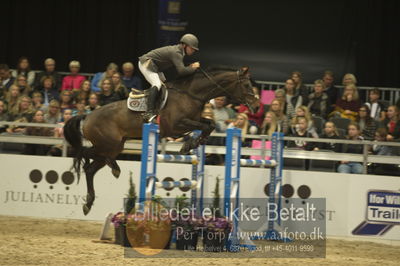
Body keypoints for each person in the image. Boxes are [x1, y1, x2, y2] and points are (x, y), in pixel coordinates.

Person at [138, 33, 200, 120]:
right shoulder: (177, 52)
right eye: (192, 48)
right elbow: (182, 71)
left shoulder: (179, 52)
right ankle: (149, 112)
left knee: (165, 86)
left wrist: (190, 68)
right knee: (157, 84)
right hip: (146, 63)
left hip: (154, 67)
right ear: (184, 45)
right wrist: (192, 68)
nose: (193, 51)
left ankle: (157, 109)